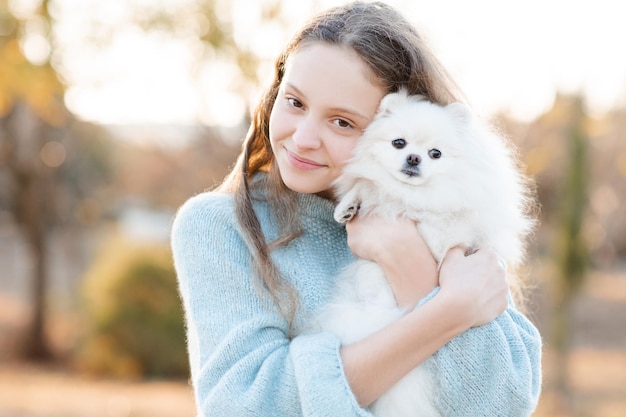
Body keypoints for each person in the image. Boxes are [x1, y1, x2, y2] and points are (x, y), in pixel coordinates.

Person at [170, 2, 542, 416]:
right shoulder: (221, 226)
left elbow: (502, 404)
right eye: (294, 102)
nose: (305, 137)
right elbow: (244, 407)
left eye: (342, 122)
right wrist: (447, 310)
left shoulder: (454, 227)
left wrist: (412, 266)